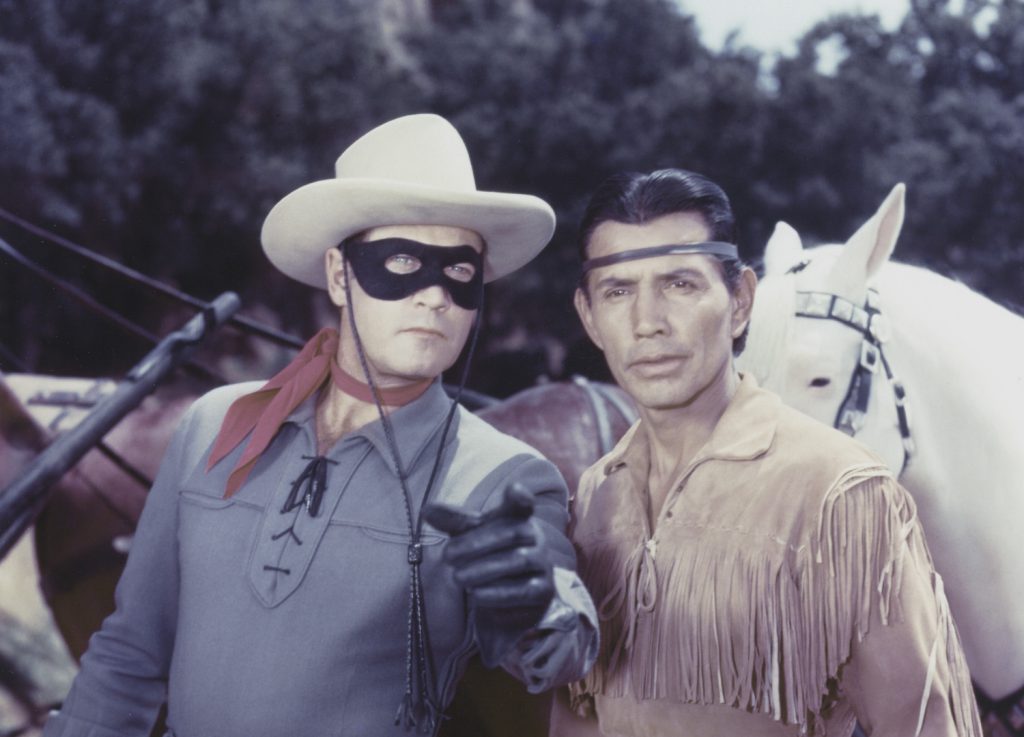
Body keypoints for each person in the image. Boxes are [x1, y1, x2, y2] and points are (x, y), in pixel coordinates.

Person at [43, 114, 598, 737]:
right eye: (404, 262)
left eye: (461, 272)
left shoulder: (505, 475)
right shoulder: (214, 425)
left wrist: (535, 606)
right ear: (340, 274)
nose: (436, 296)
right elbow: (130, 651)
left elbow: (561, 646)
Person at [554, 168, 982, 736]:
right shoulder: (595, 494)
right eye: (618, 291)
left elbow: (923, 724)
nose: (647, 323)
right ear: (589, 317)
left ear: (739, 301)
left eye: (680, 284)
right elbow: (577, 717)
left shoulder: (839, 491)